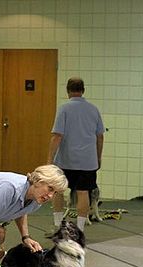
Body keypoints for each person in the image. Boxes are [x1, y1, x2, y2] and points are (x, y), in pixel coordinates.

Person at [47, 77, 105, 232]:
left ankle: (58, 226)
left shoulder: (64, 109)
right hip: (87, 161)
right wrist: (98, 157)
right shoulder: (94, 109)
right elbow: (100, 136)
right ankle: (79, 229)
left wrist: (49, 160)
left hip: (66, 160)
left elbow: (57, 135)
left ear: (68, 91)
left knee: (58, 190)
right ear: (83, 90)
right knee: (83, 192)